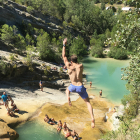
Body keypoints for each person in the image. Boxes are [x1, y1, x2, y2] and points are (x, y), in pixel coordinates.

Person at [62, 38, 95, 128]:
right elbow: (77, 64)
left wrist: (64, 44)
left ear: (71, 61)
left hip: (72, 86)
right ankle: (92, 118)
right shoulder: (81, 66)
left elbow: (64, 56)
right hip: (80, 86)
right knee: (88, 102)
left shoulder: (69, 65)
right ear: (77, 60)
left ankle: (68, 97)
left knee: (67, 90)